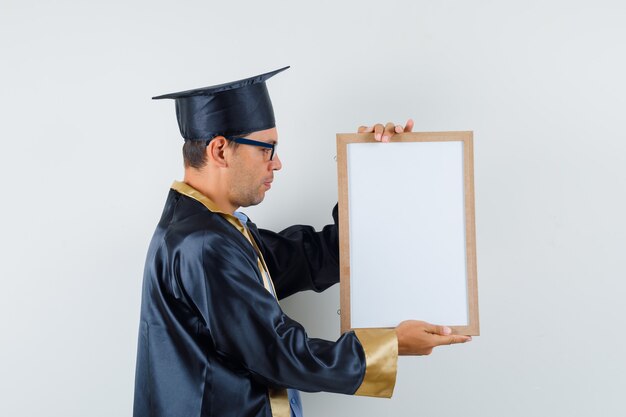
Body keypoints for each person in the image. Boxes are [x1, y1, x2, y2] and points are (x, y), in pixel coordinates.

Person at [133, 66, 471, 417]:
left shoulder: (216, 230)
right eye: (267, 148)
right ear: (220, 150)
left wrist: (372, 167)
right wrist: (390, 344)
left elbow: (313, 257)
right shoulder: (202, 244)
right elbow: (278, 352)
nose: (277, 163)